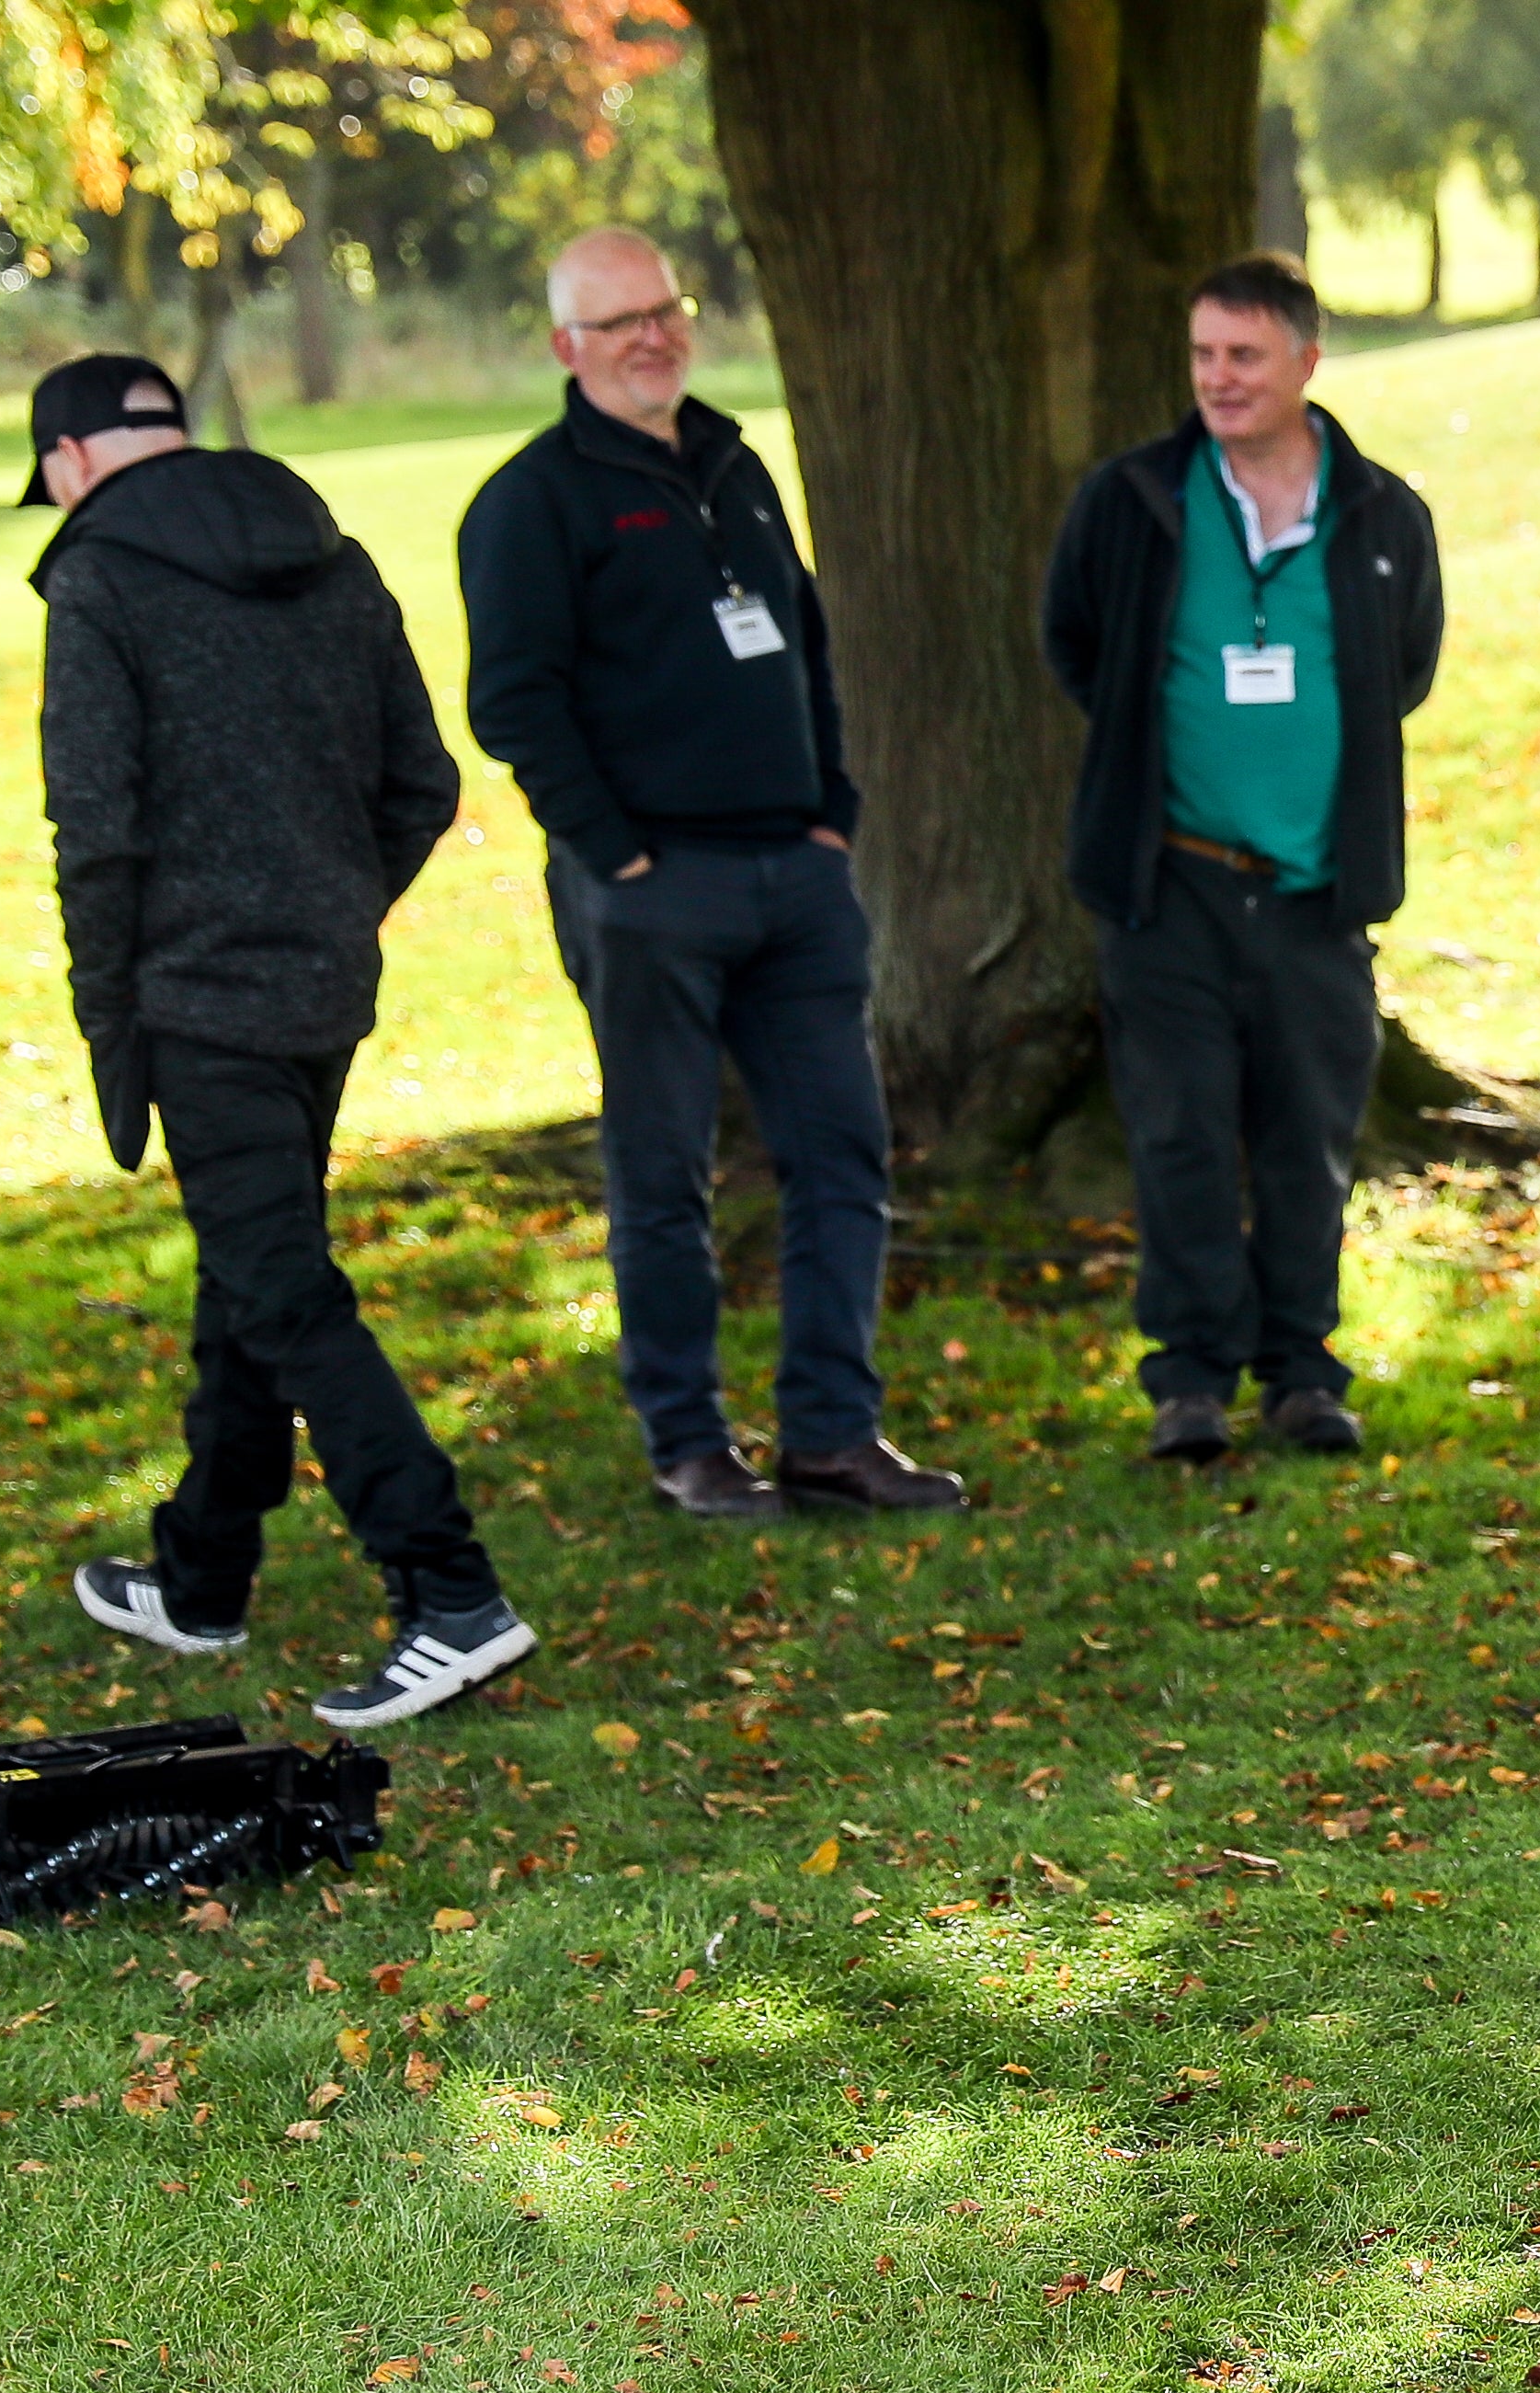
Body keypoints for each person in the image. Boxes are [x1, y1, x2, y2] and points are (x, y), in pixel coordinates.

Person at [27, 354, 538, 1729]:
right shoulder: (332, 551)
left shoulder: (97, 576)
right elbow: (421, 782)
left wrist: (110, 1018)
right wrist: (330, 912)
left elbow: (97, 829)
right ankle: (204, 1574)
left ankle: (451, 1591)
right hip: (319, 989)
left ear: (69, 462)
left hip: (197, 1001)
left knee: (285, 1292)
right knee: (252, 1273)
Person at [457, 226, 961, 1522]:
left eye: (665, 310)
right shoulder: (531, 502)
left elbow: (808, 643)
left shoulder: (735, 466)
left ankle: (832, 1436)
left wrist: (833, 811)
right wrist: (616, 850)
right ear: (566, 347)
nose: (652, 337)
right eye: (618, 322)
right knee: (664, 1175)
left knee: (841, 1155)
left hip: (796, 876)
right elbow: (512, 702)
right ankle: (688, 1444)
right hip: (652, 888)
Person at [1041, 250, 1443, 1464]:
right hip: (1170, 884)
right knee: (1178, 1137)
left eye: (1244, 356)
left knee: (1308, 1142)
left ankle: (1303, 1374)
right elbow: (1076, 645)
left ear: (1306, 362)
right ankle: (1190, 1381)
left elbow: (1403, 669)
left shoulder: (1381, 514)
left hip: (1317, 893)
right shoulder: (1132, 500)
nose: (1217, 378)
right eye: (1204, 354)